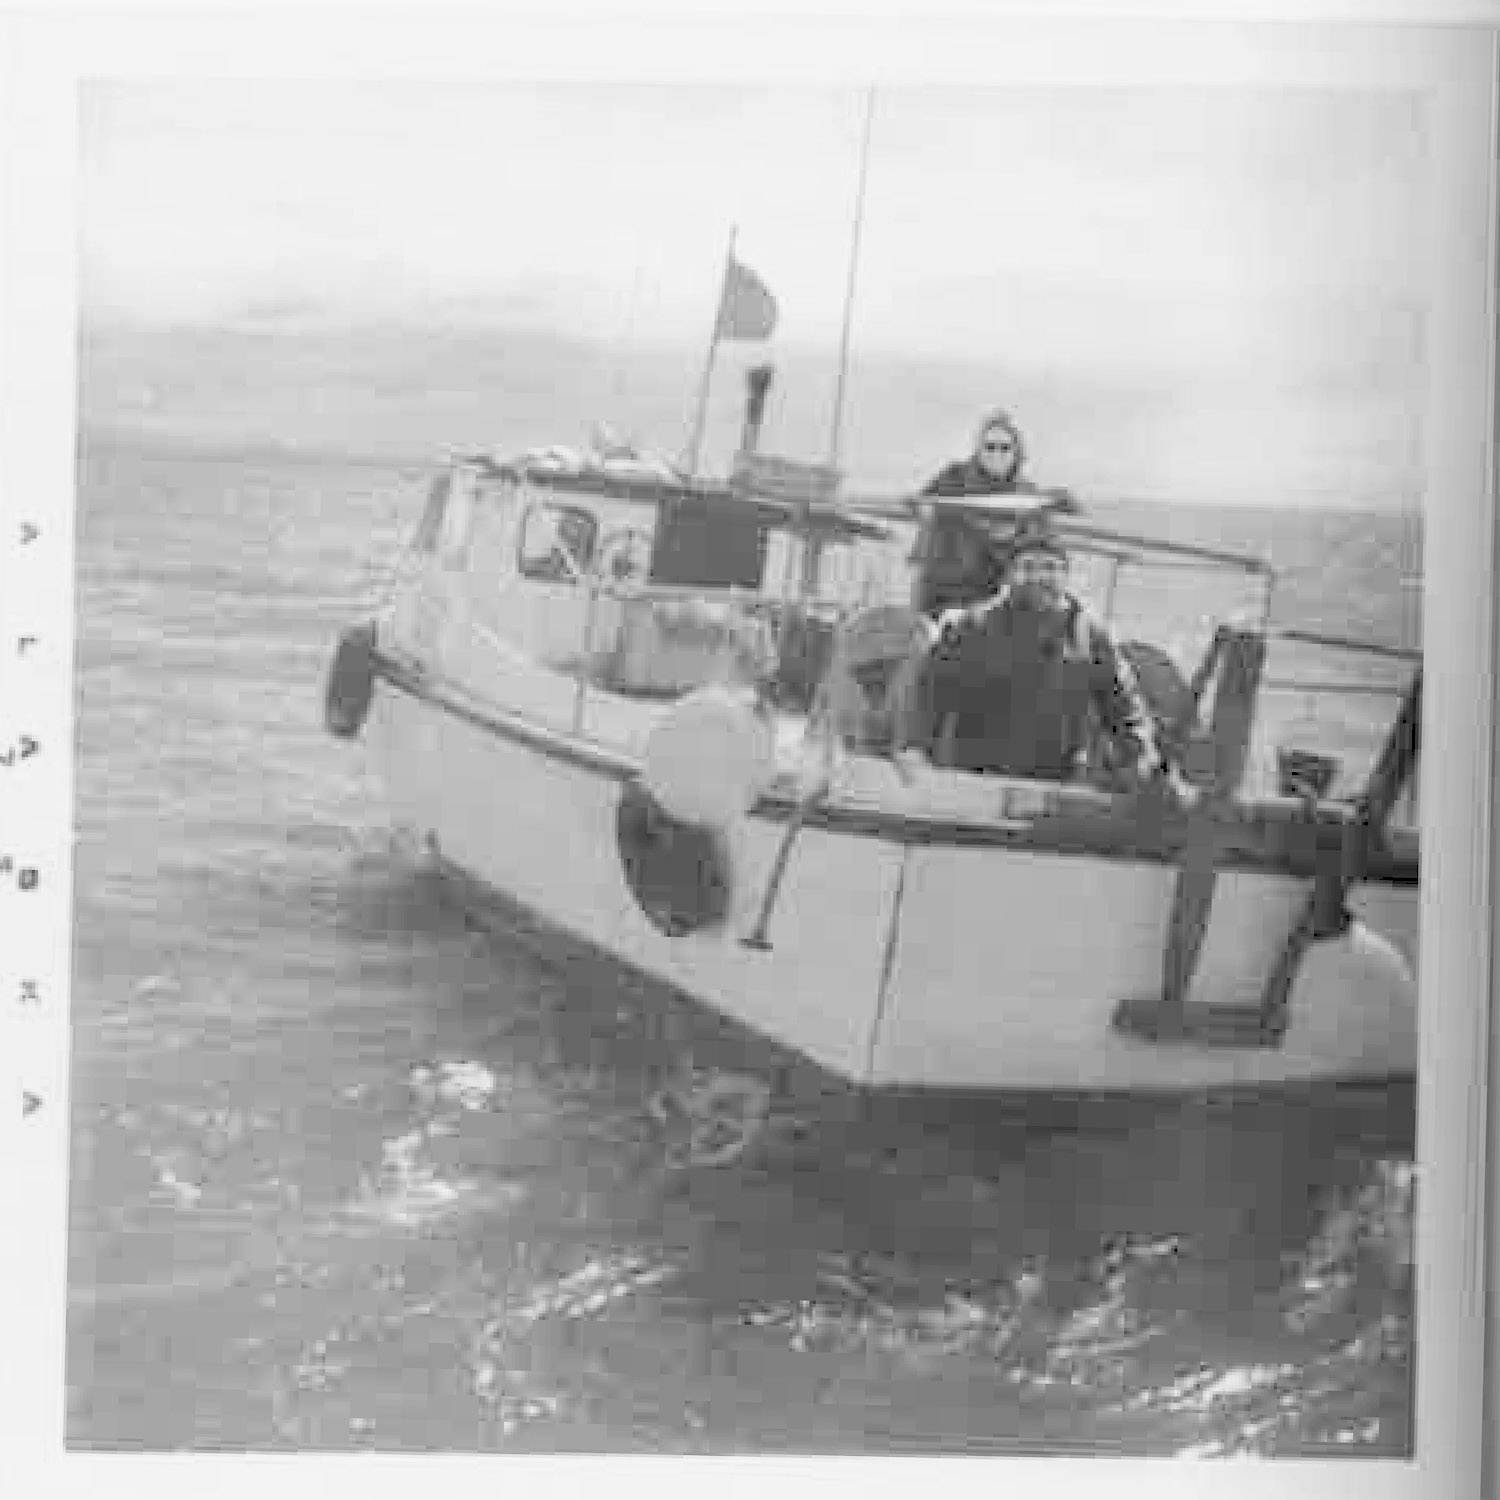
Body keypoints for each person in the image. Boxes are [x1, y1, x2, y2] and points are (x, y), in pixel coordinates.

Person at [908, 514, 1178, 790]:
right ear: (1010, 574)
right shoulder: (967, 627)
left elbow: (1124, 709)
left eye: (1050, 567)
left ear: (1066, 576)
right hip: (973, 779)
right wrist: (915, 749)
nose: (1039, 577)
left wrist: (1142, 758)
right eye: (1028, 567)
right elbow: (928, 697)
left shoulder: (1090, 636)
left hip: (1053, 785)